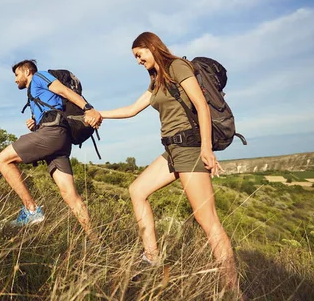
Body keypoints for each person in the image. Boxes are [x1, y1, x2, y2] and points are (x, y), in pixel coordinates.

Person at [98, 32, 241, 291]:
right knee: (137, 191)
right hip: (172, 150)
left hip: (190, 147)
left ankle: (232, 290)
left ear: (151, 47)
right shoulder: (158, 81)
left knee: (208, 221)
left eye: (139, 55)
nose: (138, 61)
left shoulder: (177, 66)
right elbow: (131, 109)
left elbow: (201, 105)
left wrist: (207, 148)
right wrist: (99, 114)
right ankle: (151, 258)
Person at [0, 59, 102, 234]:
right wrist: (35, 124)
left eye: (16, 75)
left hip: (52, 134)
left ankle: (31, 210)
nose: (15, 80)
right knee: (71, 196)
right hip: (60, 140)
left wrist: (88, 108)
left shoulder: (39, 76)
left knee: (2, 160)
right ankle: (95, 242)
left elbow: (64, 91)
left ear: (27, 72)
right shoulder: (35, 93)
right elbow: (53, 109)